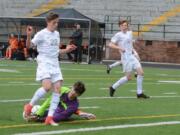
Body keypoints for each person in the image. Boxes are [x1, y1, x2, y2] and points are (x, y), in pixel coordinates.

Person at [23, 12, 76, 126]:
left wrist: (67, 50)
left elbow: (56, 51)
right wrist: (28, 35)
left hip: (55, 63)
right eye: (54, 23)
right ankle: (29, 106)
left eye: (57, 23)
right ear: (48, 22)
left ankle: (49, 118)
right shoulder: (41, 34)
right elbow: (29, 46)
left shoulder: (57, 34)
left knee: (57, 89)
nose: (56, 25)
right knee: (47, 87)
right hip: (44, 61)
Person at [108, 20, 149, 99]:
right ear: (120, 26)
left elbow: (130, 44)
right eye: (123, 25)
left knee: (141, 73)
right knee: (128, 77)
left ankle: (139, 93)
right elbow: (110, 44)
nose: (124, 27)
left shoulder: (130, 33)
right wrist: (119, 48)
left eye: (126, 25)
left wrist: (135, 54)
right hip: (126, 58)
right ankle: (113, 87)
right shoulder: (118, 35)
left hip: (132, 56)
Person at [24, 81, 96, 123]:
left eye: (76, 92)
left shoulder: (74, 105)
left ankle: (81, 113)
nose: (73, 93)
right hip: (55, 110)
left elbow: (58, 117)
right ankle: (81, 113)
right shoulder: (62, 90)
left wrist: (39, 119)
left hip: (60, 115)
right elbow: (48, 102)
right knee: (35, 110)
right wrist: (38, 114)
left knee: (71, 110)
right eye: (74, 89)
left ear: (79, 95)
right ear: (72, 87)